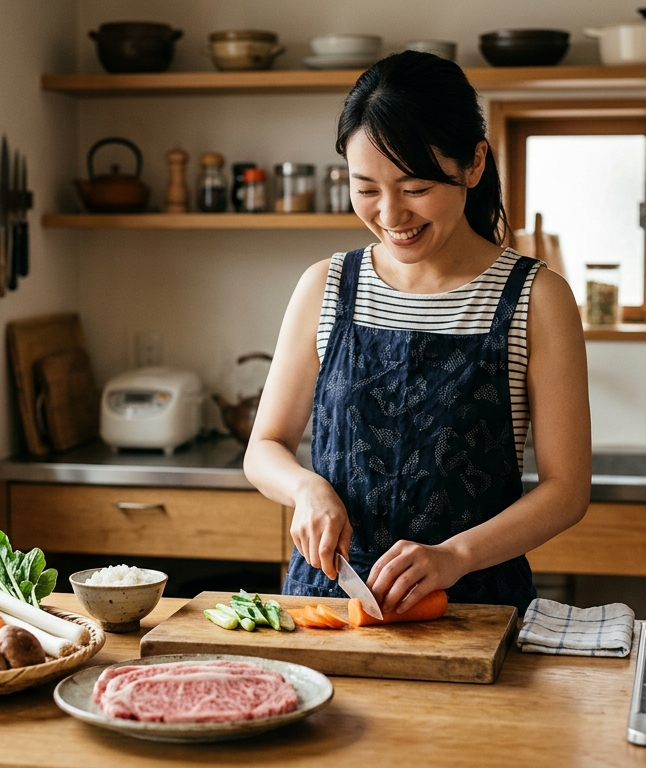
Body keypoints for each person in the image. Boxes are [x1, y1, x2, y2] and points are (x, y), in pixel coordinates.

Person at [243, 51, 591, 616]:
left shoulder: (536, 298)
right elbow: (264, 447)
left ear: (473, 165)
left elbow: (567, 491)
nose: (390, 214)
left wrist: (454, 556)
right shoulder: (326, 286)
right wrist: (307, 490)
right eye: (366, 188)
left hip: (473, 608)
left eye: (414, 187)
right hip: (330, 605)